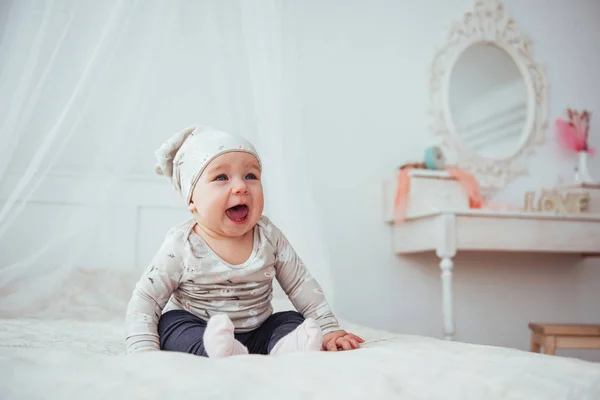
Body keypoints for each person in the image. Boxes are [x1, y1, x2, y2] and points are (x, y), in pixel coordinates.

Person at [125, 125, 364, 357]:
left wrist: (329, 329)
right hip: (201, 327)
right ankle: (214, 348)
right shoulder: (182, 244)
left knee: (290, 319)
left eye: (251, 176)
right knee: (170, 323)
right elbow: (147, 298)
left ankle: (286, 345)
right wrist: (142, 347)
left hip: (258, 330)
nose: (241, 187)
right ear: (192, 199)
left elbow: (301, 284)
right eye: (221, 177)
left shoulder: (268, 235)